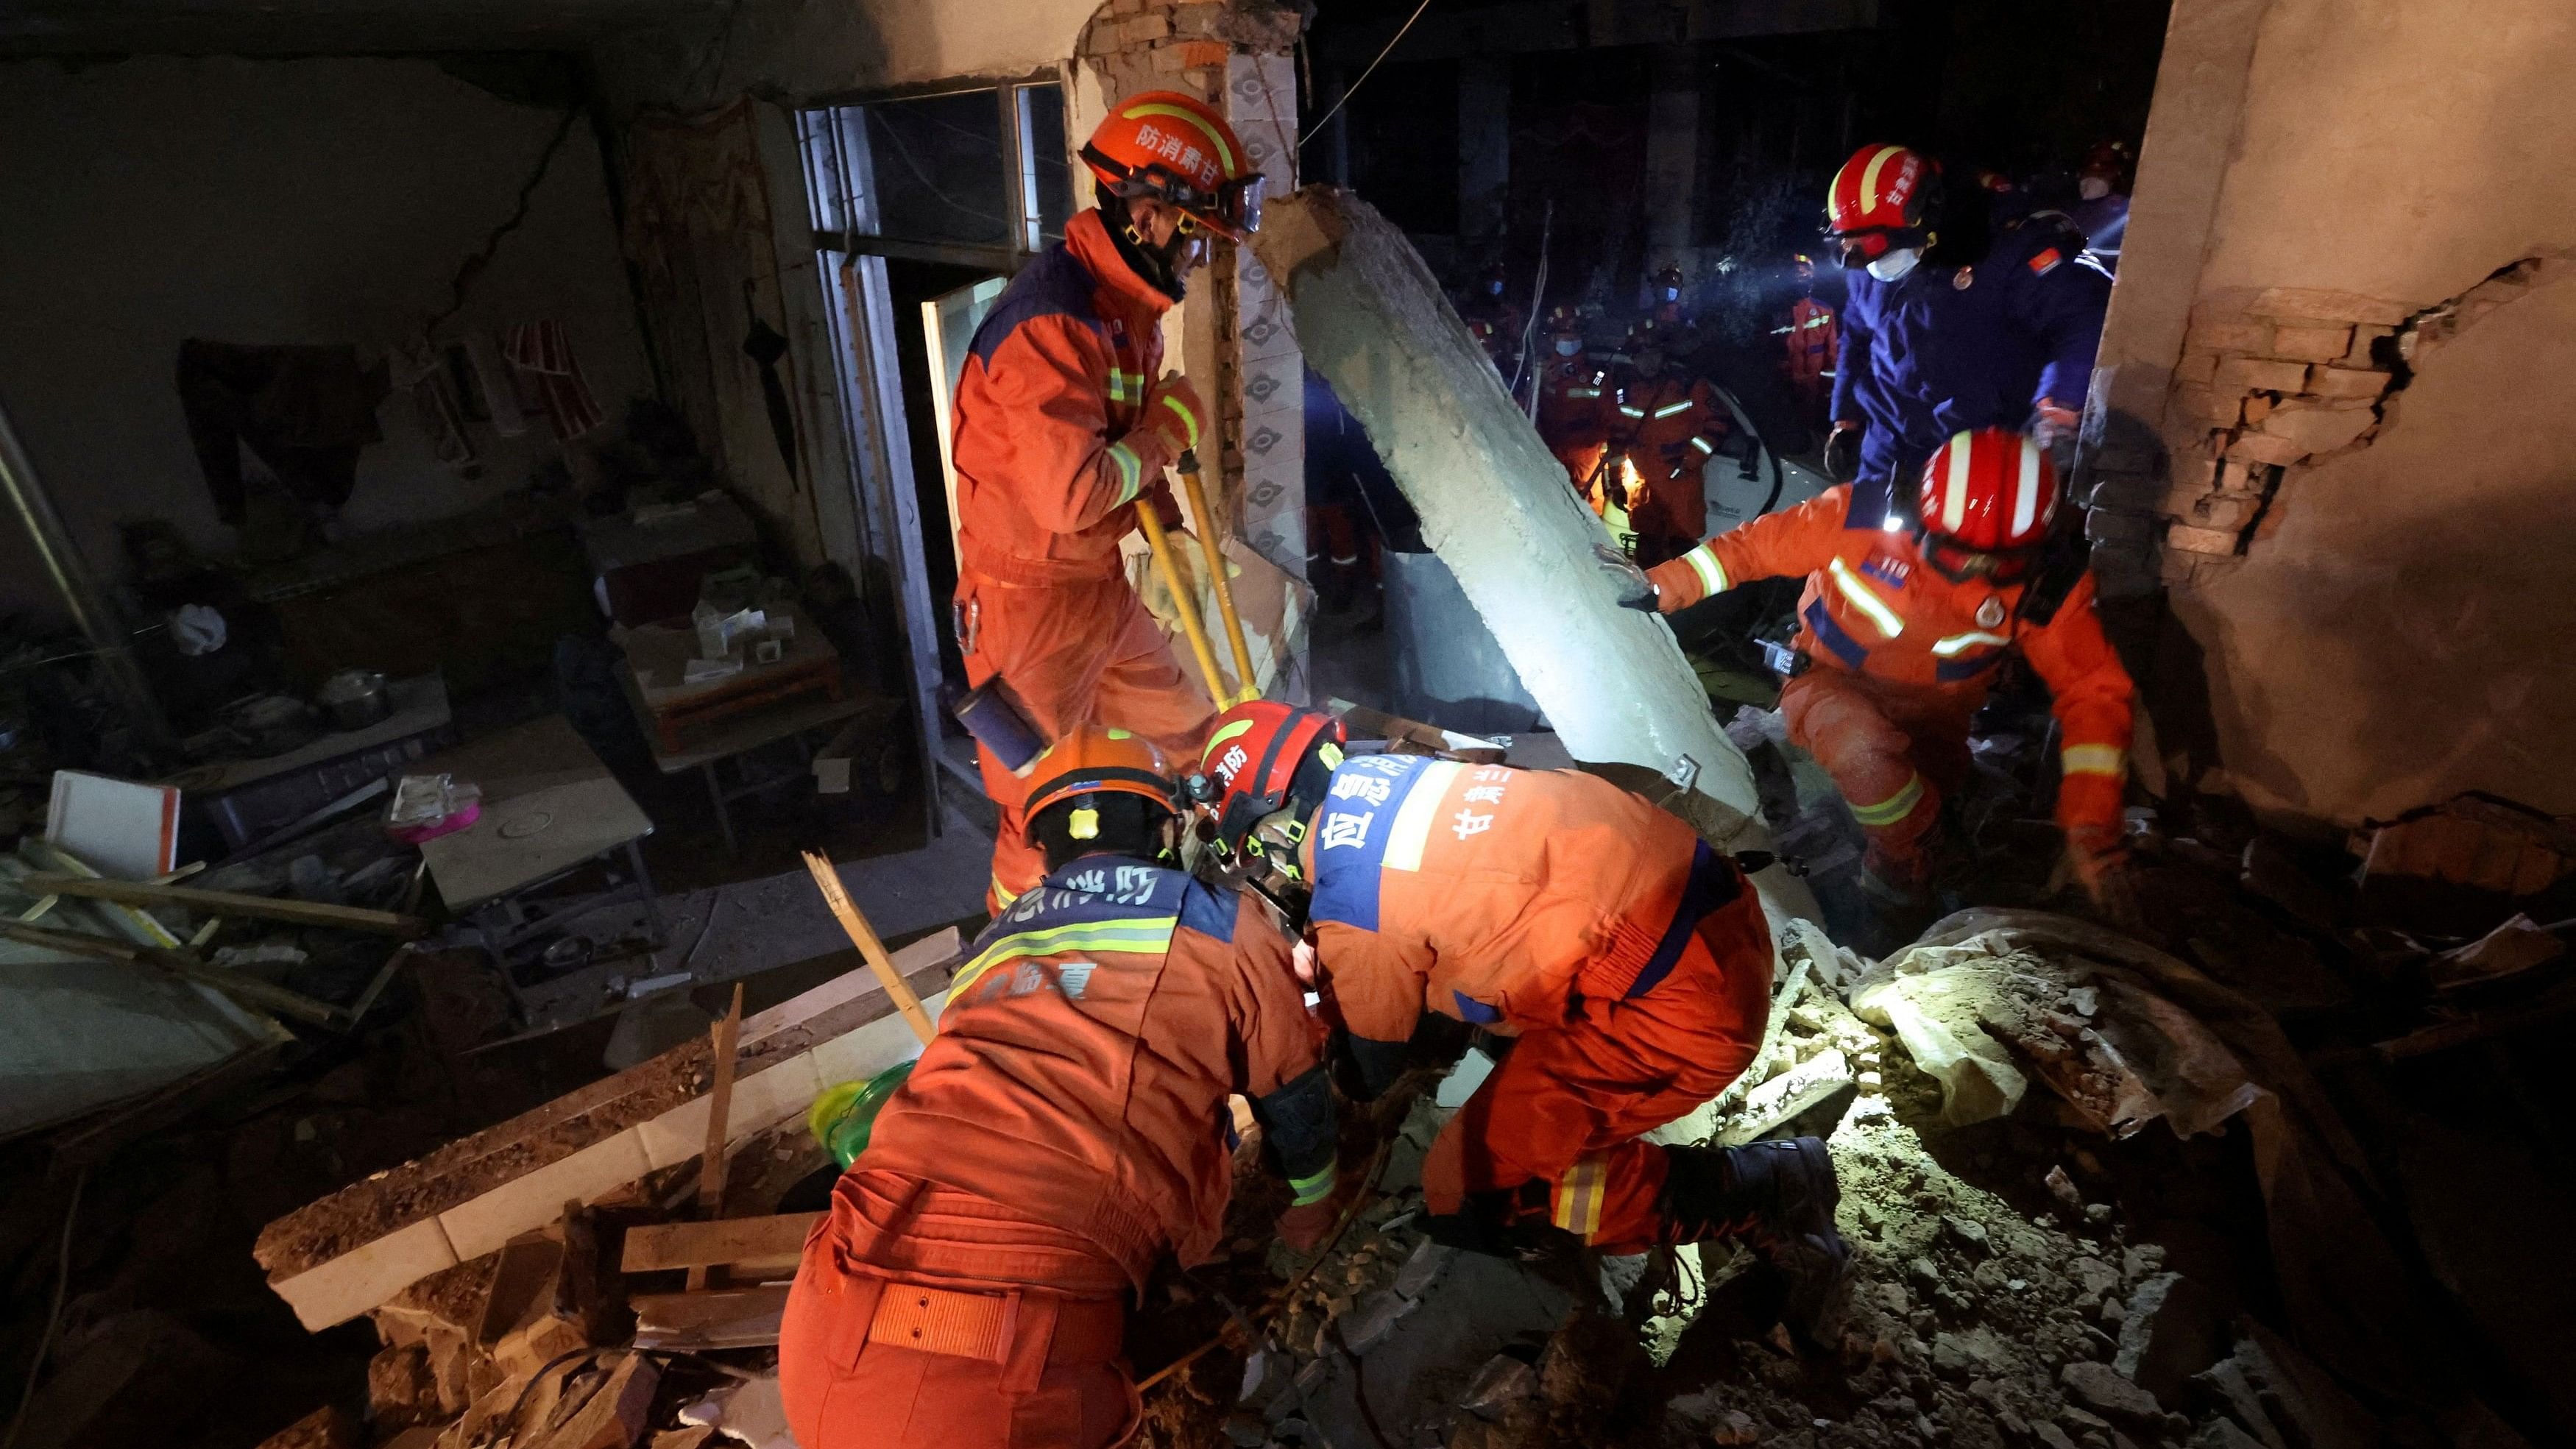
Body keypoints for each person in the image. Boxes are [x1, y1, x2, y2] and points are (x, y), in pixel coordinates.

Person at [1191, 702, 1849, 1323]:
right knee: (1480, 995)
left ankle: (1768, 1189)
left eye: (1255, 845)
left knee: (1464, 1183)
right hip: (1714, 914)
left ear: (1276, 820)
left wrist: (1326, 1057)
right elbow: (1440, 899)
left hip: (1684, 1009)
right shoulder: (1392, 775)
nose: (1266, 863)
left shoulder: (1356, 908)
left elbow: (1370, 1065)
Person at [780, 727, 1340, 1449]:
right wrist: (1312, 1208)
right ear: (1165, 826)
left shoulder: (991, 946)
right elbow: (1293, 1093)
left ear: (1043, 843)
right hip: (1002, 1364)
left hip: (821, 1327)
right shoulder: (1219, 921)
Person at [948, 89, 1267, 915]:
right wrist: (1168, 428)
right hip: (1025, 609)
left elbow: (1115, 439)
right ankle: (1020, 946)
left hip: (1093, 590)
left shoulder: (1125, 309)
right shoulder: (1049, 325)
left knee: (1189, 735)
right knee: (1038, 806)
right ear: (1151, 216)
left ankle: (1227, 881)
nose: (1197, 260)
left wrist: (1159, 500)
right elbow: (1072, 493)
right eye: (1196, 239)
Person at [1610, 428, 2135, 907]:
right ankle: (1905, 868)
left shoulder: (2050, 586)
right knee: (1864, 753)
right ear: (1922, 516)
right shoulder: (1856, 518)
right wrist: (1663, 584)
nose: (1976, 572)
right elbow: (1749, 550)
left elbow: (2094, 694)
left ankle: (1913, 855)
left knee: (1914, 794)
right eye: (1957, 555)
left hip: (1937, 726)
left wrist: (2091, 826)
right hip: (1825, 684)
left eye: (1997, 565)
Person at [1818, 144, 2112, 514]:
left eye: (1873, 244)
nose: (1864, 259)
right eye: (1848, 246)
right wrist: (1845, 416)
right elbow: (1857, 335)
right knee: (1861, 549)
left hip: (1979, 457)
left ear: (1927, 216)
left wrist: (2061, 406)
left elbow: (2081, 317)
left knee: (1957, 567)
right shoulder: (1868, 270)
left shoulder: (2005, 254)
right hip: (1885, 450)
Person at [1593, 319, 1731, 566]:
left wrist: (1690, 460)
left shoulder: (1688, 385)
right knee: (1647, 553)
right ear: (1633, 358)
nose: (1649, 362)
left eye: (1654, 354)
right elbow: (1616, 438)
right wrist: (1615, 482)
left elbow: (1717, 422)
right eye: (1641, 356)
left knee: (1684, 554)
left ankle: (1685, 603)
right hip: (1644, 486)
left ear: (1663, 354)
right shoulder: (1622, 390)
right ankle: (1652, 599)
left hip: (1680, 483)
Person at [1534, 304, 1610, 497]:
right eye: (1563, 332)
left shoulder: (1596, 377)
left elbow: (1611, 418)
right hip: (1550, 449)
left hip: (1586, 452)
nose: (1570, 337)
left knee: (1589, 505)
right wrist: (1539, 382)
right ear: (1553, 337)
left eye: (1575, 331)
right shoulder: (1539, 374)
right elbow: (1528, 410)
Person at [1780, 253, 1841, 423]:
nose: (1800, 275)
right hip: (1785, 381)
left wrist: (1830, 386)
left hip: (1813, 384)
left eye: (1804, 272)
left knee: (1811, 420)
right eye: (1796, 272)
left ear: (1812, 276)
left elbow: (1832, 352)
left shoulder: (1825, 311)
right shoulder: (1778, 311)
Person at [1459, 261, 1524, 377]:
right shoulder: (1473, 303)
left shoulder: (1506, 309)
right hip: (1475, 352)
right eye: (1495, 282)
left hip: (1498, 357)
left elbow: (1514, 335)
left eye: (1500, 283)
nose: (1497, 286)